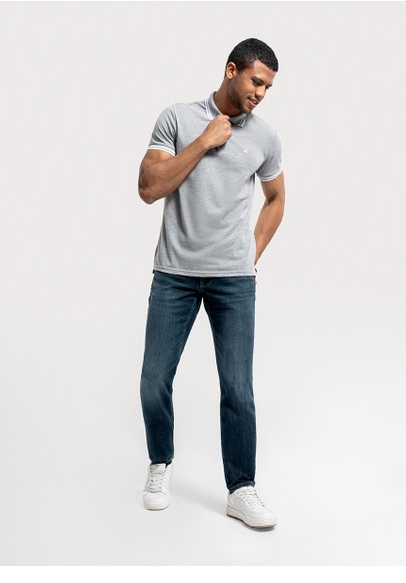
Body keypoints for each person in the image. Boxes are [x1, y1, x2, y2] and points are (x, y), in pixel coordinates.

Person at [137, 38, 285, 528]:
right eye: (256, 81)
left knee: (238, 389)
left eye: (268, 87)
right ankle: (160, 463)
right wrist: (203, 142)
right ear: (231, 70)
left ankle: (241, 488)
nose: (261, 93)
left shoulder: (265, 137)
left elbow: (276, 199)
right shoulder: (178, 118)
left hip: (234, 281)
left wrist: (250, 253)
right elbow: (148, 188)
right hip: (174, 274)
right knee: (154, 380)